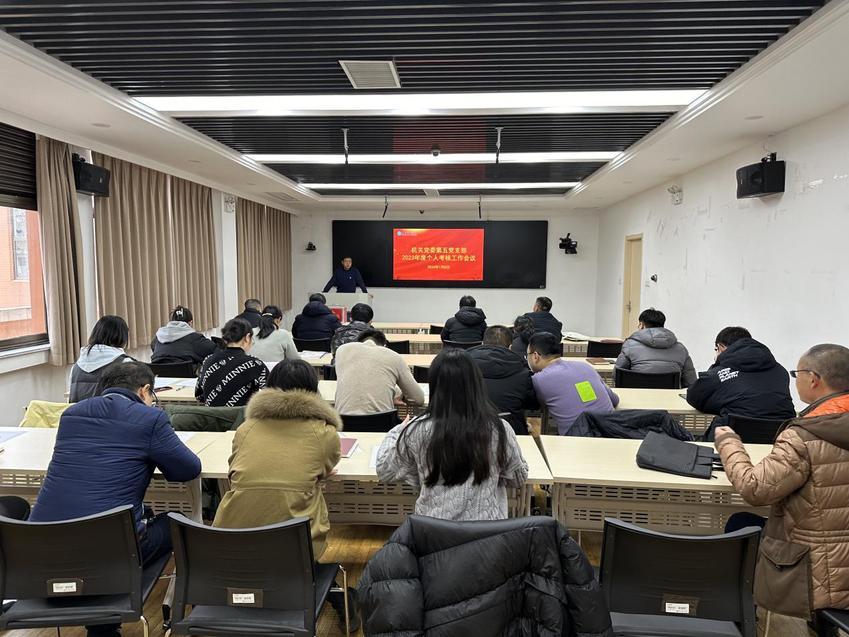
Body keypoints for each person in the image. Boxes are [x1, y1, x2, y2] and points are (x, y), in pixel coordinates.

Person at [714, 344, 849, 618]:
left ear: (813, 379)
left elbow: (754, 488)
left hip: (815, 575)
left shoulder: (804, 437)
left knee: (740, 523)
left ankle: (736, 615)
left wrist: (729, 443)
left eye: (796, 374)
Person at [32, 362, 201, 567]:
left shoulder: (72, 413)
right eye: (152, 397)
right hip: (113, 555)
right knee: (176, 520)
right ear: (144, 390)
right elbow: (189, 469)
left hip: (42, 548)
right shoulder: (150, 418)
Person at [376, 348, 528, 520]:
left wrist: (398, 430)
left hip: (432, 530)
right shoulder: (499, 428)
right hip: (486, 532)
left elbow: (384, 471)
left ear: (434, 386)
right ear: (476, 384)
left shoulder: (416, 430)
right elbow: (518, 478)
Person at [213, 359, 341, 558]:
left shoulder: (246, 429)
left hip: (231, 542)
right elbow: (327, 464)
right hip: (295, 549)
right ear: (313, 391)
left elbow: (234, 472)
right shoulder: (324, 433)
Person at [687, 326, 795, 440]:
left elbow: (694, 397)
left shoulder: (720, 373)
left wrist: (717, 365)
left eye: (716, 349)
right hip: (779, 442)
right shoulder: (781, 371)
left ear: (721, 347)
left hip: (729, 443)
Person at [528, 332, 619, 435]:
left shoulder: (538, 380)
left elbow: (538, 406)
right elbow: (615, 400)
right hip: (613, 432)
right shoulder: (586, 367)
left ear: (535, 356)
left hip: (578, 439)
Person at [467, 326, 539, 435]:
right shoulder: (523, 374)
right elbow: (533, 404)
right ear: (510, 347)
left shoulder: (462, 368)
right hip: (511, 433)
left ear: (482, 344)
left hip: (468, 433)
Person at [335, 329, 425, 415]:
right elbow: (418, 399)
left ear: (359, 343)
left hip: (342, 422)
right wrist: (394, 394)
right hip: (382, 423)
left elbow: (363, 378)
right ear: (385, 346)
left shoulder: (341, 351)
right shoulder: (394, 357)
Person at [615, 308, 697, 387]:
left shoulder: (629, 345)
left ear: (641, 325)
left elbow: (617, 376)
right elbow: (691, 382)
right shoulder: (681, 349)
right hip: (669, 396)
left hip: (636, 394)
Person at [196, 318, 267, 407]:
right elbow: (271, 396)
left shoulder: (208, 360)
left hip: (212, 415)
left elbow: (199, 396)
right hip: (242, 415)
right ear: (247, 337)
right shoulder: (255, 364)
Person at [69, 315, 133, 403]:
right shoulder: (125, 364)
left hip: (79, 412)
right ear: (122, 338)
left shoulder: (76, 367)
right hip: (110, 412)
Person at [150, 305, 217, 366]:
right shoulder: (194, 338)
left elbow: (153, 346)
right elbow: (214, 350)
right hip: (186, 374)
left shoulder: (157, 338)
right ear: (190, 323)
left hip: (159, 374)